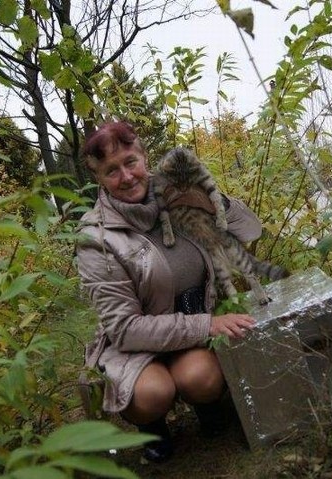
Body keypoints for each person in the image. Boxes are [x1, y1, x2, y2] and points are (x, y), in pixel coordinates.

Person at [76, 121, 260, 462]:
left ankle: (210, 409)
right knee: (153, 393)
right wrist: (207, 325)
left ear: (144, 158)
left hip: (190, 323)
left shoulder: (177, 197)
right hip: (136, 344)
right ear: (98, 179)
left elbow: (250, 231)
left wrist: (213, 200)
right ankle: (154, 430)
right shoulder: (96, 238)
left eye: (130, 162)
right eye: (111, 171)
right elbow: (125, 329)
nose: (126, 177)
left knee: (200, 377)